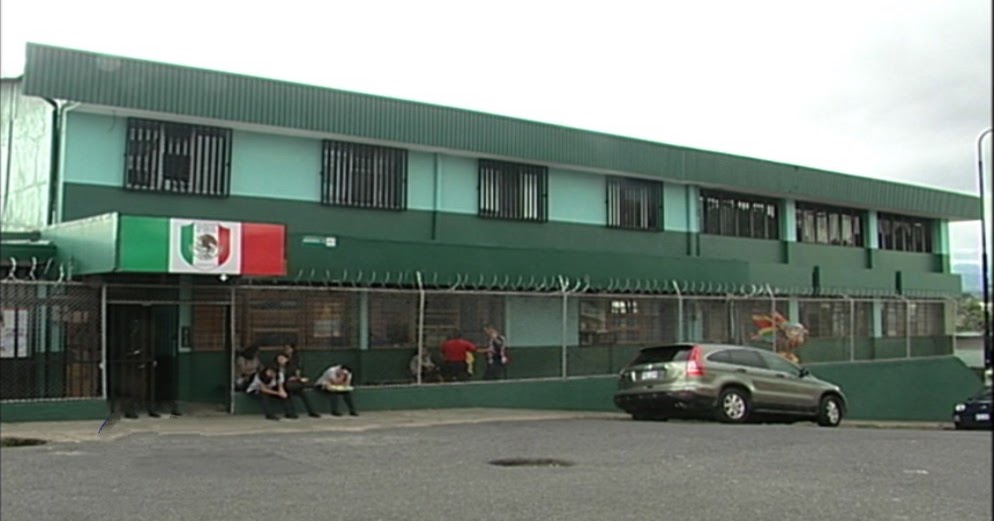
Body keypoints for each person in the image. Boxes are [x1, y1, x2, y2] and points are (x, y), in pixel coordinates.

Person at [274, 350, 320, 418]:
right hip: (280, 386)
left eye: (282, 358)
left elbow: (296, 376)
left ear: (287, 359)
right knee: (286, 395)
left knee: (303, 394)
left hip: (292, 385)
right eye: (279, 359)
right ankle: (291, 413)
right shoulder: (275, 368)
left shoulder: (291, 367)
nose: (281, 360)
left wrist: (295, 378)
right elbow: (277, 379)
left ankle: (312, 412)